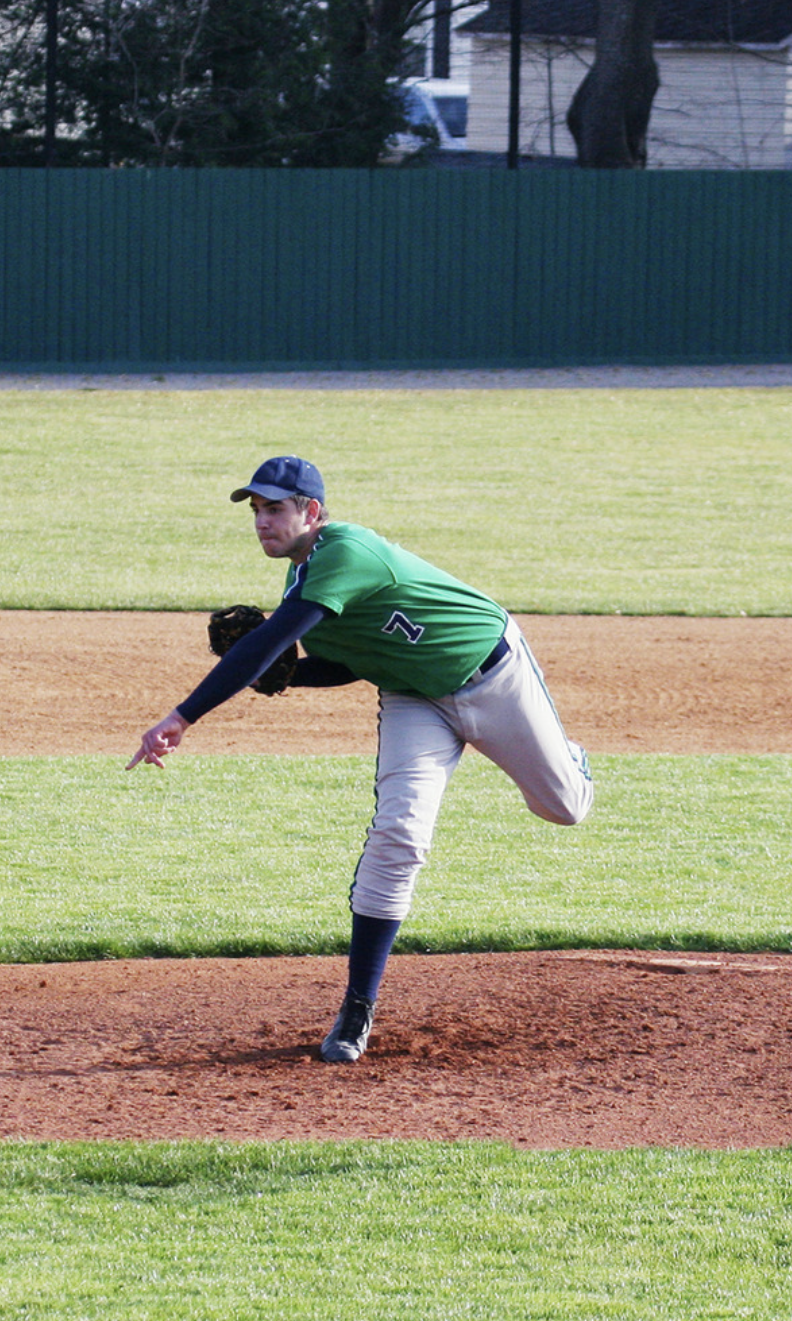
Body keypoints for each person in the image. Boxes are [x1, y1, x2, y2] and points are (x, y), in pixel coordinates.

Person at [128, 455, 593, 1062]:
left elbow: (271, 639)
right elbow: (349, 662)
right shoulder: (303, 587)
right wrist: (288, 678)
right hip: (412, 698)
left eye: (276, 508)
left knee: (564, 807)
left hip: (492, 673)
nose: (263, 521)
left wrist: (183, 715)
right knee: (398, 835)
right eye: (257, 510)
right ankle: (357, 1009)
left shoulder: (347, 553)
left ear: (312, 512)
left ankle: (568, 758)